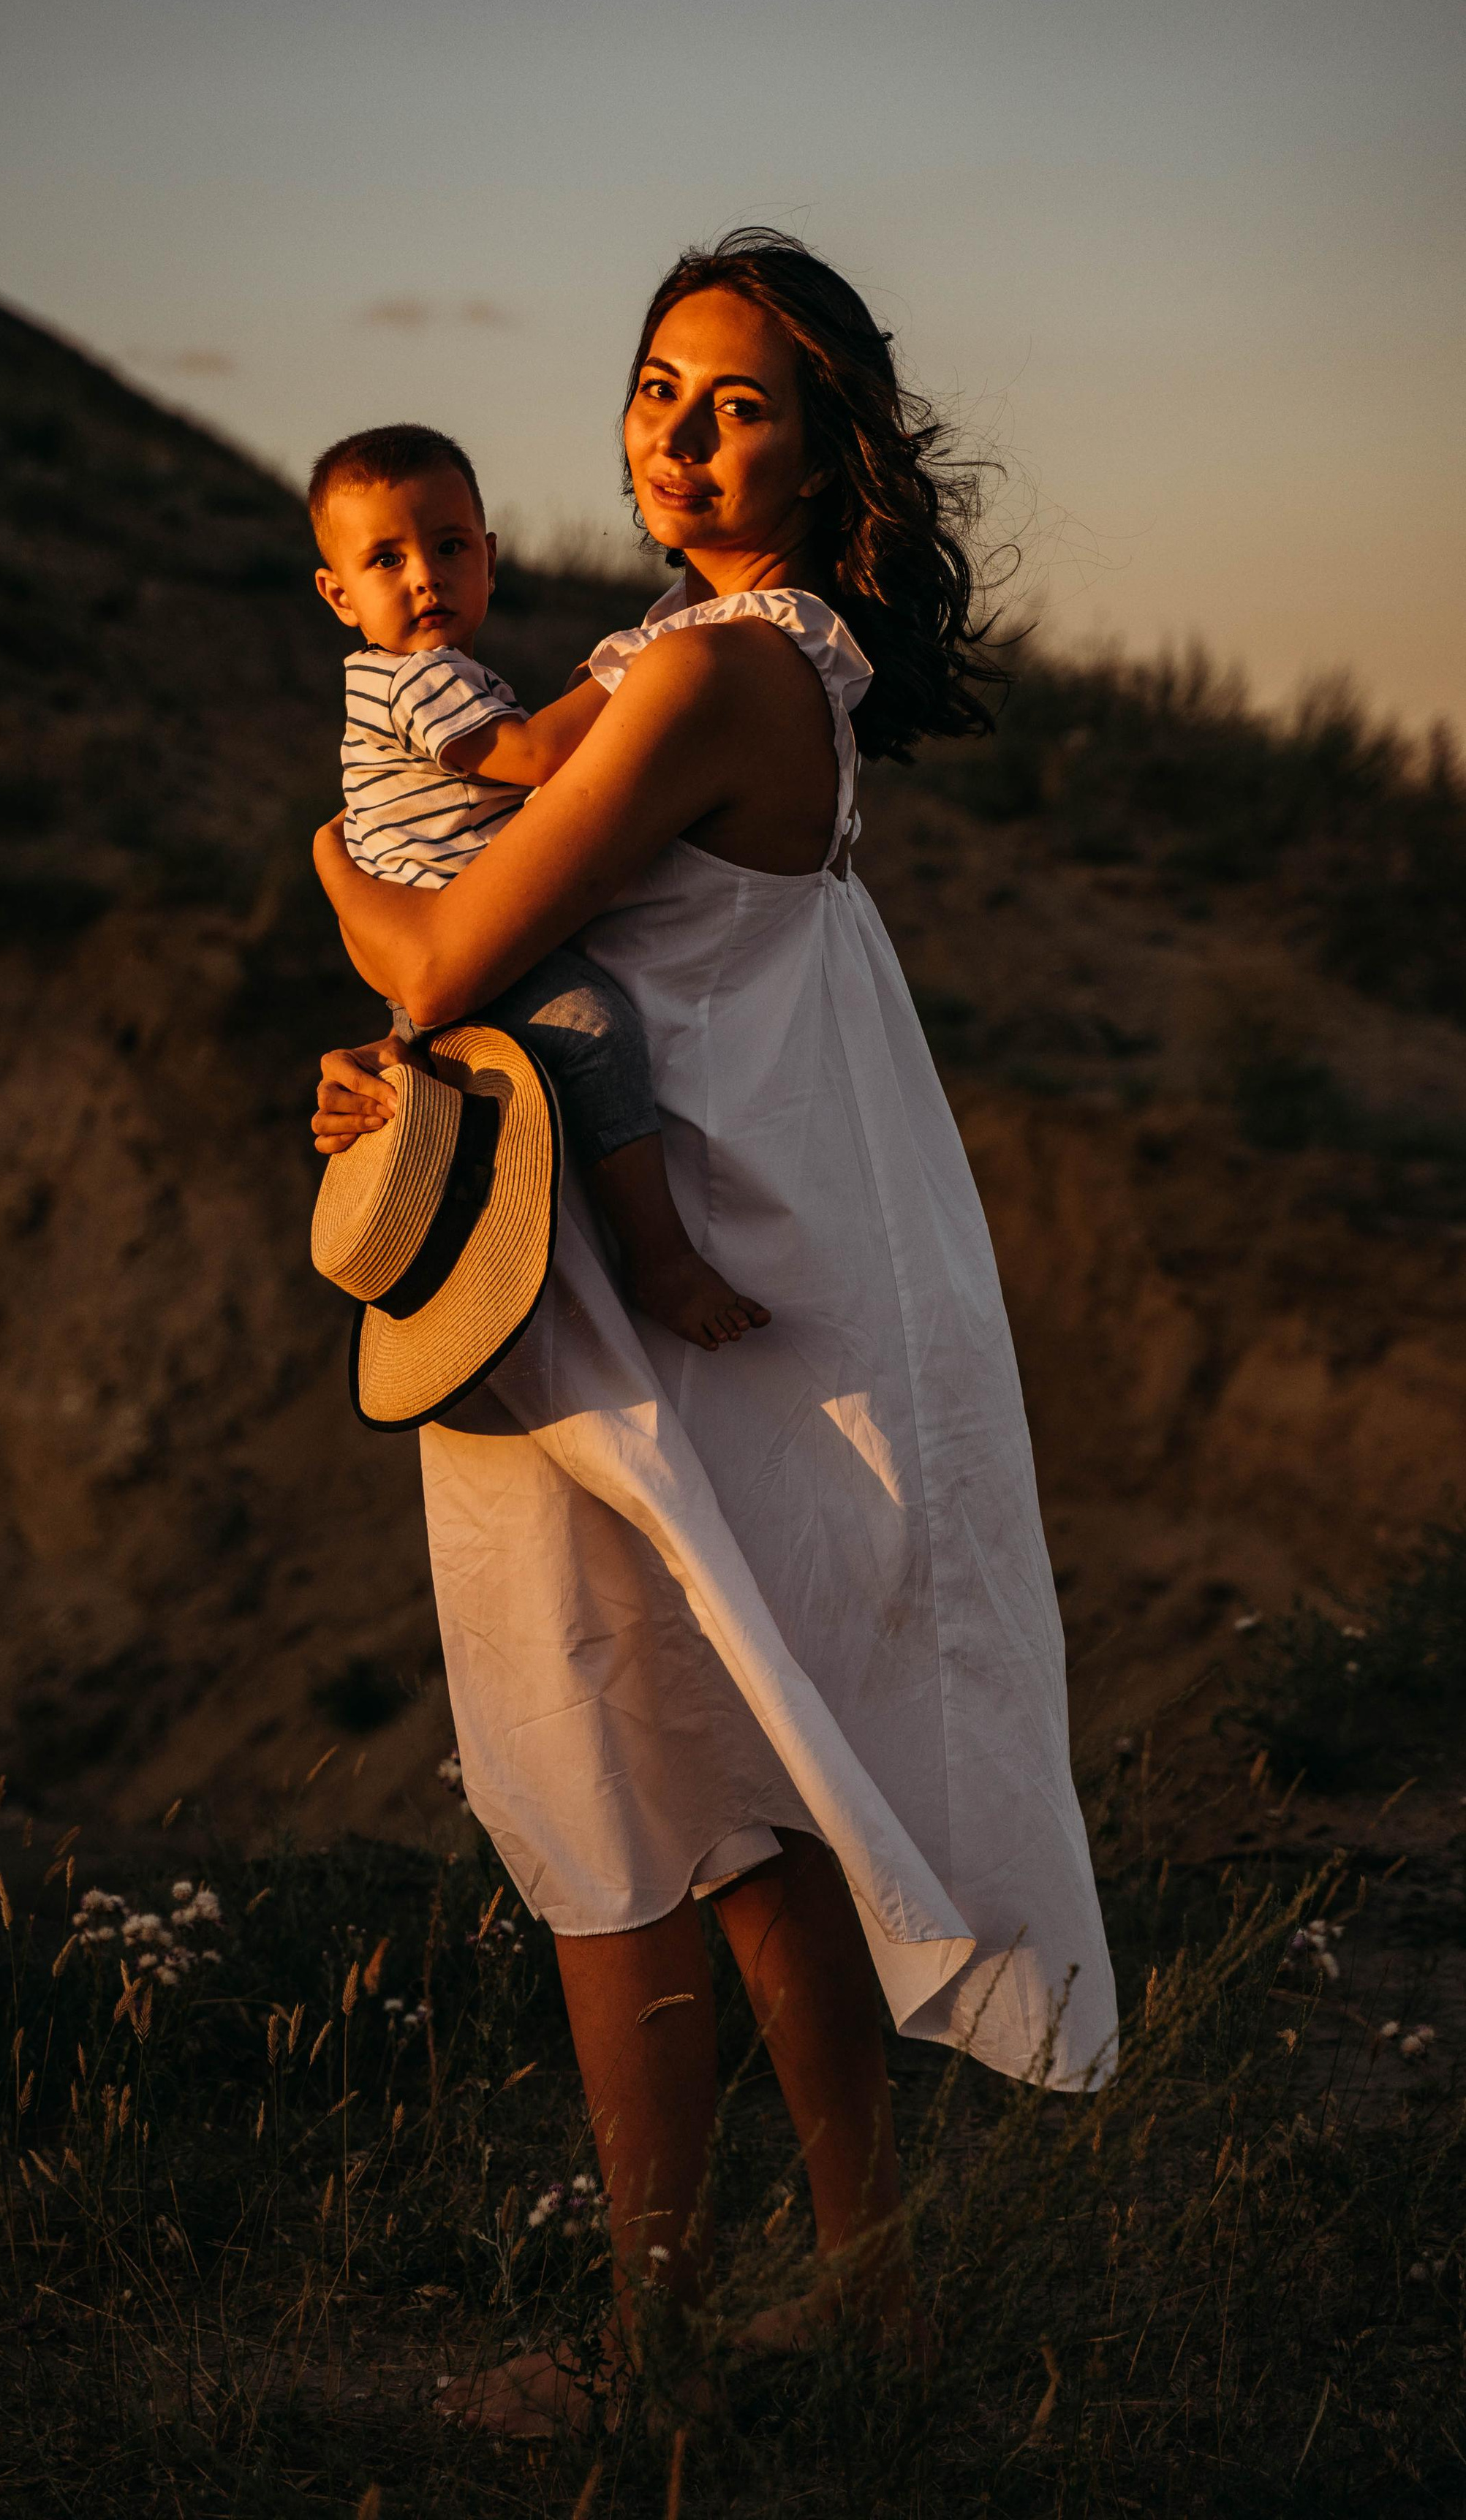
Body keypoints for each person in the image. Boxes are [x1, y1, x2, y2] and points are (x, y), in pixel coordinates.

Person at [309, 228, 1119, 2434]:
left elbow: (436, 944)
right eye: (657, 384)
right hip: (697, 1247)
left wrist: (332, 872)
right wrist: (420, 1067)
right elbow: (536, 977)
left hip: (656, 1292)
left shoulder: (700, 679)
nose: (675, 430)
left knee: (617, 1781)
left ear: (827, 439)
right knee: (733, 1793)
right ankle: (871, 2301)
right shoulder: (710, 661)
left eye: (737, 398)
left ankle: (649, 2346)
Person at [311, 421, 767, 1352]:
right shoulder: (418, 681)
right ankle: (662, 1258)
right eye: (386, 560)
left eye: (446, 549)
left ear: (488, 557)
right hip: (462, 946)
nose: (424, 578)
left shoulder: (419, 677)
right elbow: (528, 760)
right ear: (338, 595)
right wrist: (641, 663)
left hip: (435, 948)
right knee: (595, 1032)